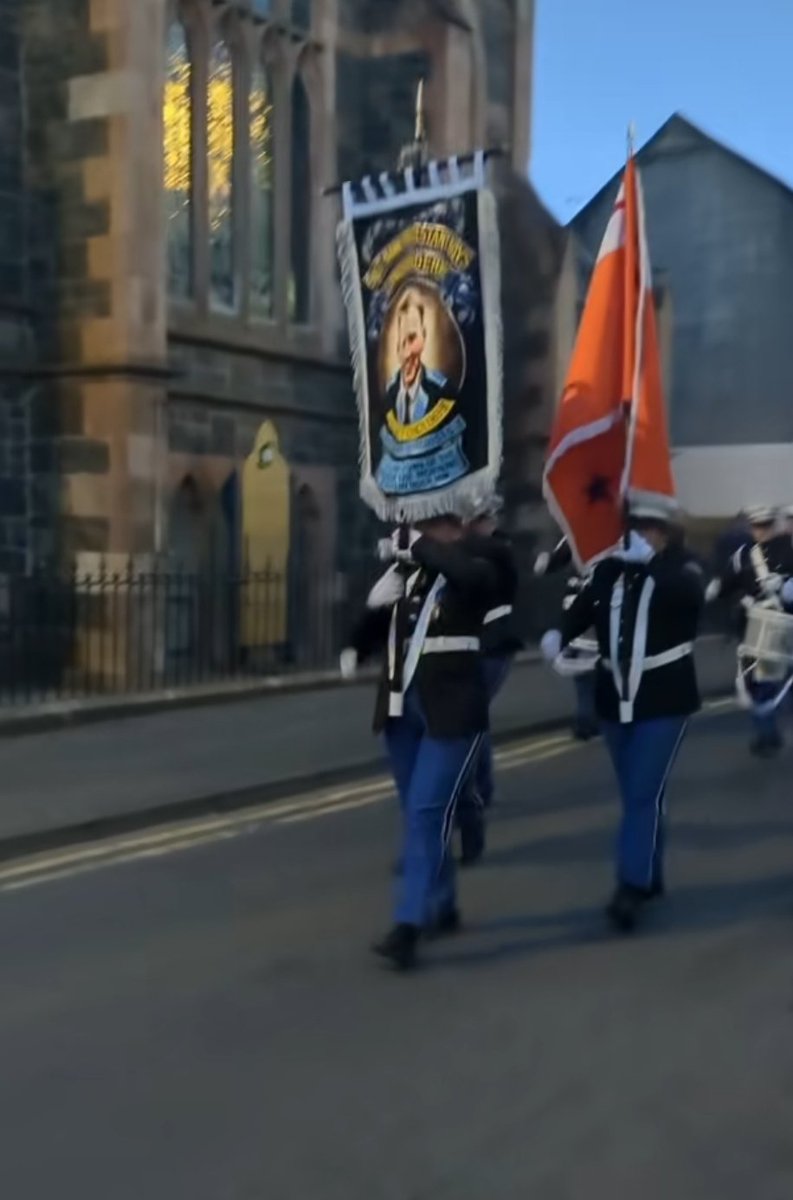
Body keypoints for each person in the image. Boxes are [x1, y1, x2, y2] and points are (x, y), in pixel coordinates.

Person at [341, 516, 500, 970]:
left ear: (456, 526)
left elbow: (470, 578)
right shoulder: (409, 570)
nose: (426, 532)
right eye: (422, 525)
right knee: (418, 812)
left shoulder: (482, 559)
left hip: (452, 711)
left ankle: (408, 923)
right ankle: (442, 904)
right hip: (401, 709)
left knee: (427, 811)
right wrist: (360, 634)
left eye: (436, 525)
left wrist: (419, 547)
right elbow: (387, 623)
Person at [542, 500, 704, 934]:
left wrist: (649, 565)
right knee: (641, 793)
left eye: (649, 528)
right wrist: (559, 634)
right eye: (634, 526)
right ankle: (649, 872)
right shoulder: (608, 570)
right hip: (615, 699)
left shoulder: (683, 567)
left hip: (664, 698)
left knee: (640, 793)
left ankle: (629, 887)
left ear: (666, 532)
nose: (639, 534)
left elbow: (689, 599)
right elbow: (582, 610)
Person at [454, 498, 523, 865]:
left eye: (477, 519)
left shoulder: (497, 550)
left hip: (492, 646)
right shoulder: (481, 549)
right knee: (473, 718)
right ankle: (481, 787)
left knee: (472, 717)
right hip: (473, 646)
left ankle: (478, 789)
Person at [706, 505, 793, 756]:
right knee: (759, 684)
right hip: (757, 624)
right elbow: (722, 588)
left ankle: (767, 734)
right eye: (757, 526)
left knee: (768, 683)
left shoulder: (788, 550)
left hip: (781, 621)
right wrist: (737, 597)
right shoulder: (742, 556)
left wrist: (786, 586)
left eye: (765, 525)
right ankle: (768, 734)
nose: (761, 531)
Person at [534, 537, 599, 740]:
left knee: (585, 676)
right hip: (599, 607)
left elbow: (543, 566)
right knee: (595, 674)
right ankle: (590, 720)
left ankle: (586, 720)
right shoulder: (618, 531)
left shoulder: (574, 531)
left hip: (578, 608)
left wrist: (545, 557)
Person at [384, 289, 458, 428]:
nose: (406, 353)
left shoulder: (443, 392)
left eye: (412, 339)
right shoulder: (390, 394)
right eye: (402, 343)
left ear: (423, 337)